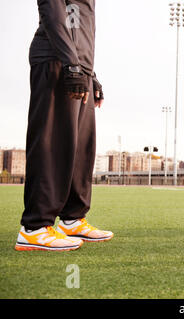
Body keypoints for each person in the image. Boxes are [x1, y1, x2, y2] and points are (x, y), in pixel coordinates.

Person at [15, 0, 113, 251]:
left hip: (79, 67)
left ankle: (72, 218)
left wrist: (91, 75)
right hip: (56, 61)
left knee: (81, 148)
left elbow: (78, 27)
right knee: (52, 144)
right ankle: (35, 227)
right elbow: (53, 14)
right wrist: (71, 64)